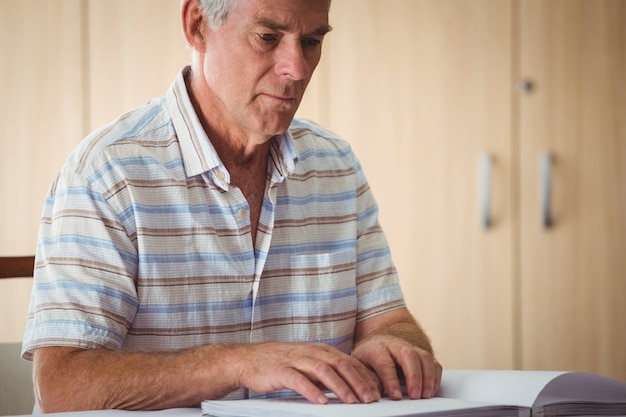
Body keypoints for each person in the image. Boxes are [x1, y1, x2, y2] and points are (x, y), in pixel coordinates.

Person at [22, 0, 442, 412]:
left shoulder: (336, 165)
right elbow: (63, 386)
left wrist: (394, 346)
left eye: (312, 41)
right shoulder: (107, 172)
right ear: (198, 25)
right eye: (267, 37)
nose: (296, 69)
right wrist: (237, 363)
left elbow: (389, 322)